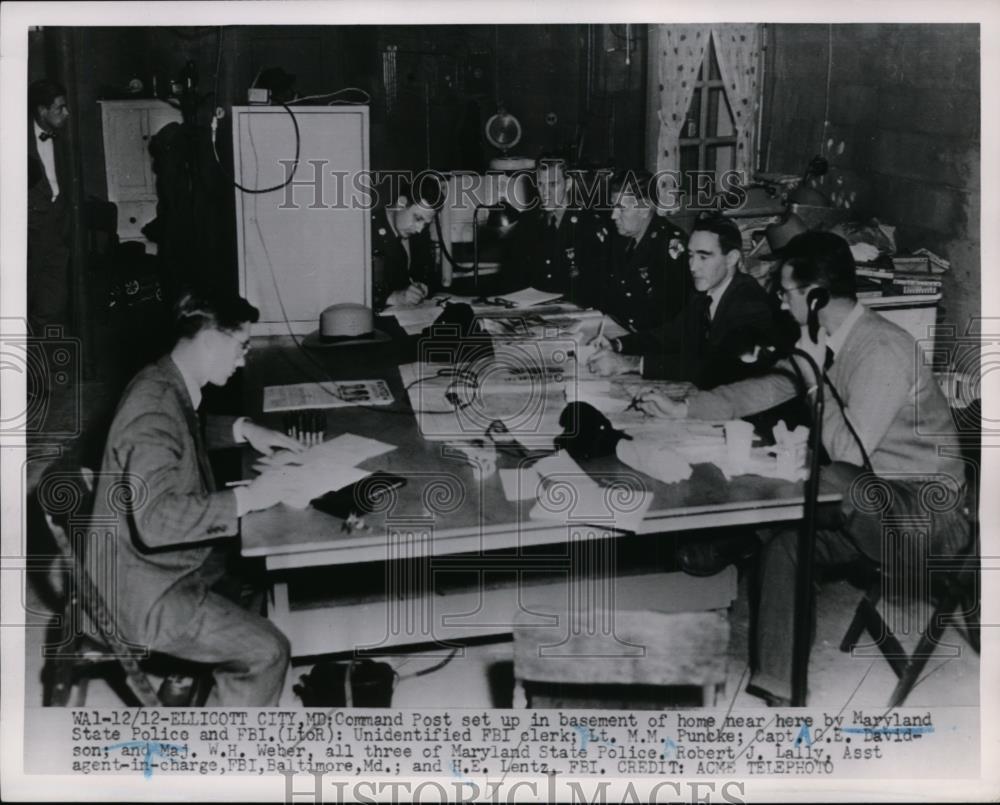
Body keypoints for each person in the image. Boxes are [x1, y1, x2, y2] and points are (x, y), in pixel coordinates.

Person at [635, 231, 969, 705]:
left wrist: (813, 382)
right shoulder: (826, 338)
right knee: (790, 544)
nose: (779, 299)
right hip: (867, 504)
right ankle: (781, 688)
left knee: (826, 479)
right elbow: (767, 388)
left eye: (787, 291)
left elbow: (846, 451)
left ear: (815, 297)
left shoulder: (881, 350)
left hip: (927, 519)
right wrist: (686, 409)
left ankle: (739, 534)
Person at [88, 290, 305, 706]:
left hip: (140, 569)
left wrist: (245, 430)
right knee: (267, 651)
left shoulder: (164, 379)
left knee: (252, 574)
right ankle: (230, 763)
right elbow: (155, 522)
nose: (244, 359)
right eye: (241, 347)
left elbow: (184, 431)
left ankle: (189, 673)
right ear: (209, 341)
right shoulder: (152, 410)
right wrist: (248, 498)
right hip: (142, 595)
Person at [588, 214, 784, 387]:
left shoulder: (748, 303)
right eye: (690, 256)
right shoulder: (706, 291)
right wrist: (618, 345)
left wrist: (630, 363)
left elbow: (716, 367)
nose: (692, 266)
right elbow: (674, 334)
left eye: (703, 257)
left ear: (732, 258)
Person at [593, 170, 692, 334]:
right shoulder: (620, 239)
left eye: (621, 209)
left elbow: (674, 320)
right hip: (621, 334)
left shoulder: (670, 246)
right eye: (613, 207)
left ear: (645, 208)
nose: (613, 216)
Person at [497, 158, 603, 305]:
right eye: (540, 184)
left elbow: (596, 285)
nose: (545, 192)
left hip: (576, 311)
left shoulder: (588, 224)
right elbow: (513, 275)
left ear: (569, 184)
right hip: (532, 311)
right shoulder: (528, 222)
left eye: (553, 184)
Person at [28, 78, 72, 334]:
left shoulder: (64, 139)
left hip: (57, 234)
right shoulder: (13, 139)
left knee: (53, 304)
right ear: (42, 111)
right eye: (60, 108)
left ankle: (47, 367)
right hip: (28, 238)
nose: (66, 113)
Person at [371, 176, 442, 310]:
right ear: (401, 204)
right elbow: (351, 287)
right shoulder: (367, 231)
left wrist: (423, 287)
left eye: (426, 224)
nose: (419, 228)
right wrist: (392, 297)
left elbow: (429, 274)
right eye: (417, 218)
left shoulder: (417, 234)